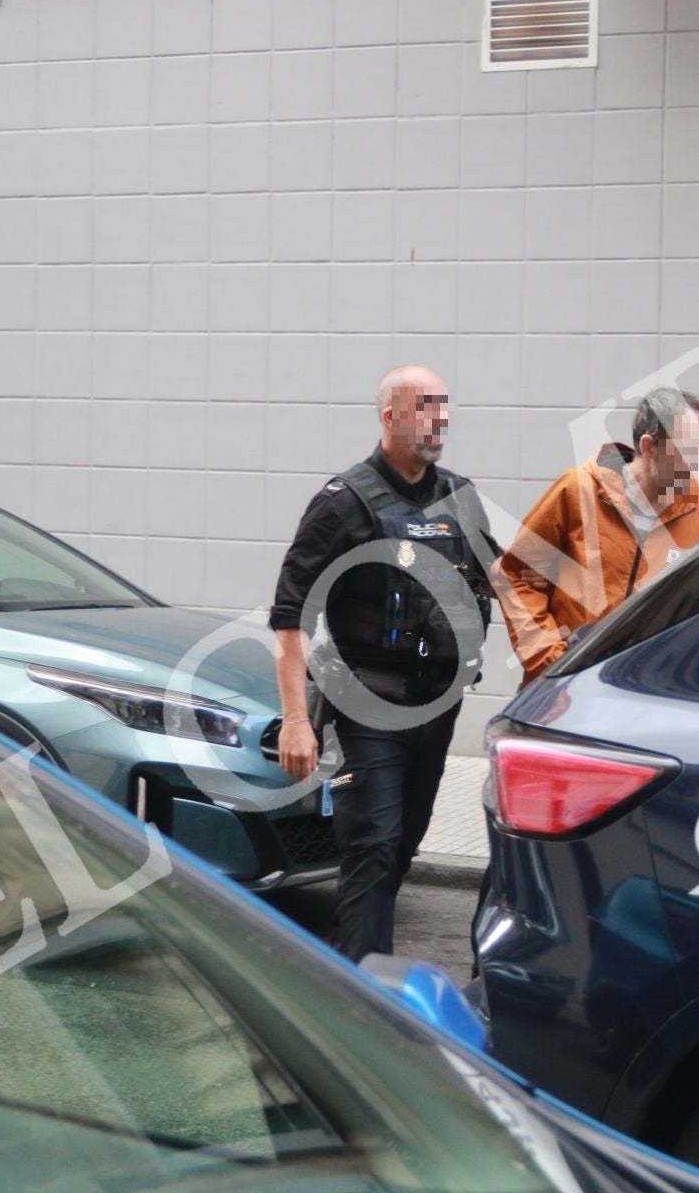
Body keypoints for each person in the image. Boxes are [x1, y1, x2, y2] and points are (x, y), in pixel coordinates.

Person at [270, 365, 497, 961]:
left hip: (438, 703)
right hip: (368, 703)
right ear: (390, 416)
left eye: (444, 406)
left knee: (403, 844)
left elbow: (502, 586)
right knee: (373, 842)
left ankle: (347, 956)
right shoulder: (343, 503)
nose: (439, 418)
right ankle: (364, 996)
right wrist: (296, 719)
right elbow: (290, 616)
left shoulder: (461, 496)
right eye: (425, 405)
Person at [498, 387, 699, 685]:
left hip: (640, 690)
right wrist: (551, 661)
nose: (696, 464)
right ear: (649, 447)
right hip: (560, 688)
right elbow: (516, 577)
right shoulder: (579, 490)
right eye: (687, 451)